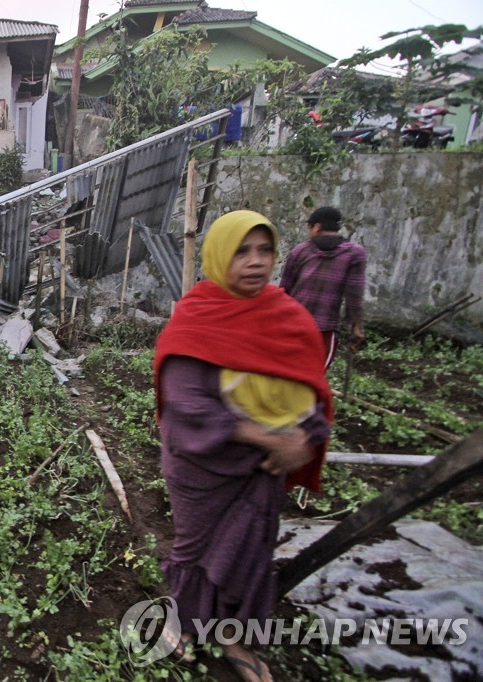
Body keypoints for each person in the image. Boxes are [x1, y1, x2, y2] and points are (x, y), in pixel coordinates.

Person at [153, 210, 333, 682]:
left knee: (252, 549)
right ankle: (185, 624)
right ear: (218, 255)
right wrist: (269, 438)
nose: (255, 262)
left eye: (264, 250)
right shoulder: (198, 316)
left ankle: (234, 636)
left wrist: (305, 439)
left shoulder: (287, 317)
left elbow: (309, 385)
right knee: (195, 548)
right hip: (203, 464)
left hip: (264, 468)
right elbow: (188, 404)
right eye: (241, 251)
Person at [279, 206, 367, 369]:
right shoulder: (354, 254)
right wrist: (356, 327)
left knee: (286, 369)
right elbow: (354, 296)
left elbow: (284, 290)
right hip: (324, 328)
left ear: (317, 227)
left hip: (294, 324)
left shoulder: (300, 251)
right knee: (315, 375)